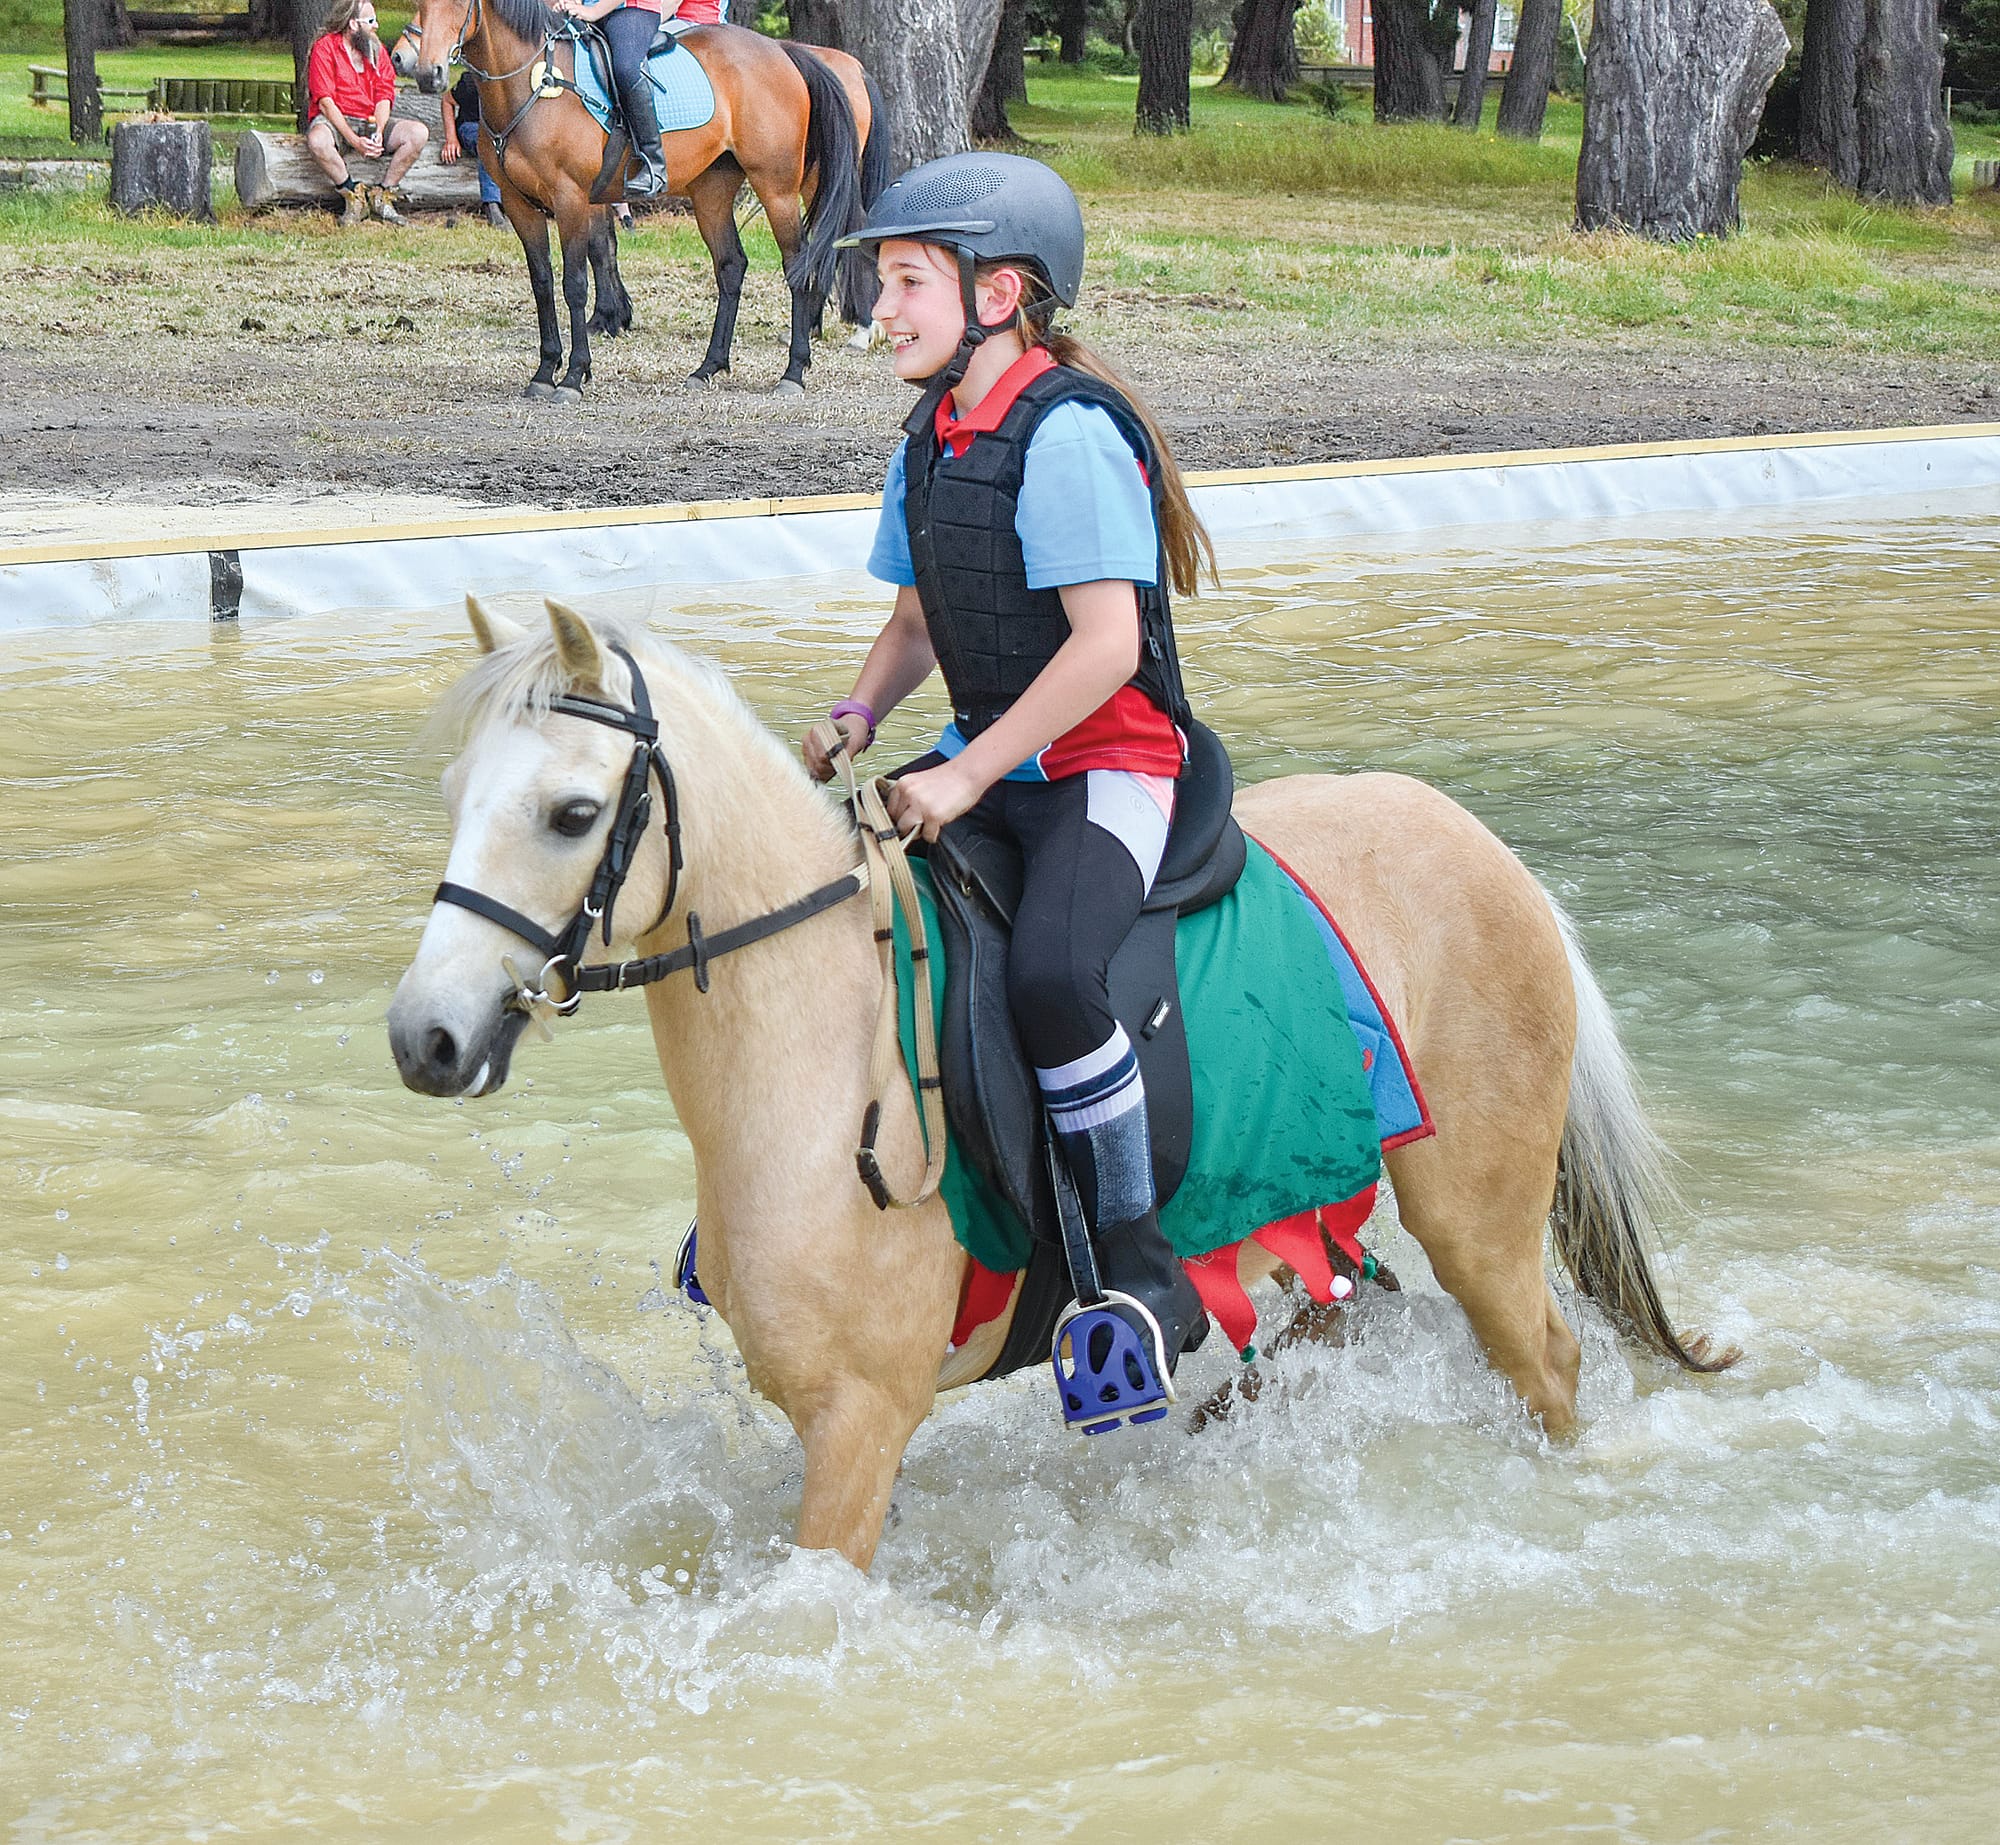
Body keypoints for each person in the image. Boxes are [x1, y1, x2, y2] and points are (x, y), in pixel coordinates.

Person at [802, 153, 1220, 1424]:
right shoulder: (929, 436)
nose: (882, 310)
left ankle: (1135, 1282)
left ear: (1001, 296)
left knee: (1050, 976)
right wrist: (858, 716)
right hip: (994, 764)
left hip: (1110, 768)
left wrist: (966, 771)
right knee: (840, 916)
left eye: (908, 283)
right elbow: (920, 620)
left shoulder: (1071, 436)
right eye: (883, 283)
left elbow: (1104, 650)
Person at [304, 0, 428, 226]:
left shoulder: (376, 50)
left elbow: (384, 95)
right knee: (318, 140)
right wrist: (354, 140)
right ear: (352, 24)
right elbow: (326, 103)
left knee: (418, 133)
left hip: (370, 120)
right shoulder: (325, 47)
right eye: (370, 21)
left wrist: (378, 131)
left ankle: (383, 194)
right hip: (337, 120)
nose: (377, 25)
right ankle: (353, 193)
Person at [551, 0, 670, 201]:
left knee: (626, 69)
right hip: (590, 11)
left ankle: (654, 163)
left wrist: (593, 11)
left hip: (632, 10)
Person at [440, 70, 507, 229]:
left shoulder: (511, 79)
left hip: (501, 130)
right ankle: (492, 206)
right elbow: (447, 101)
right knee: (489, 144)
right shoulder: (472, 80)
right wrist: (451, 138)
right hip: (471, 126)